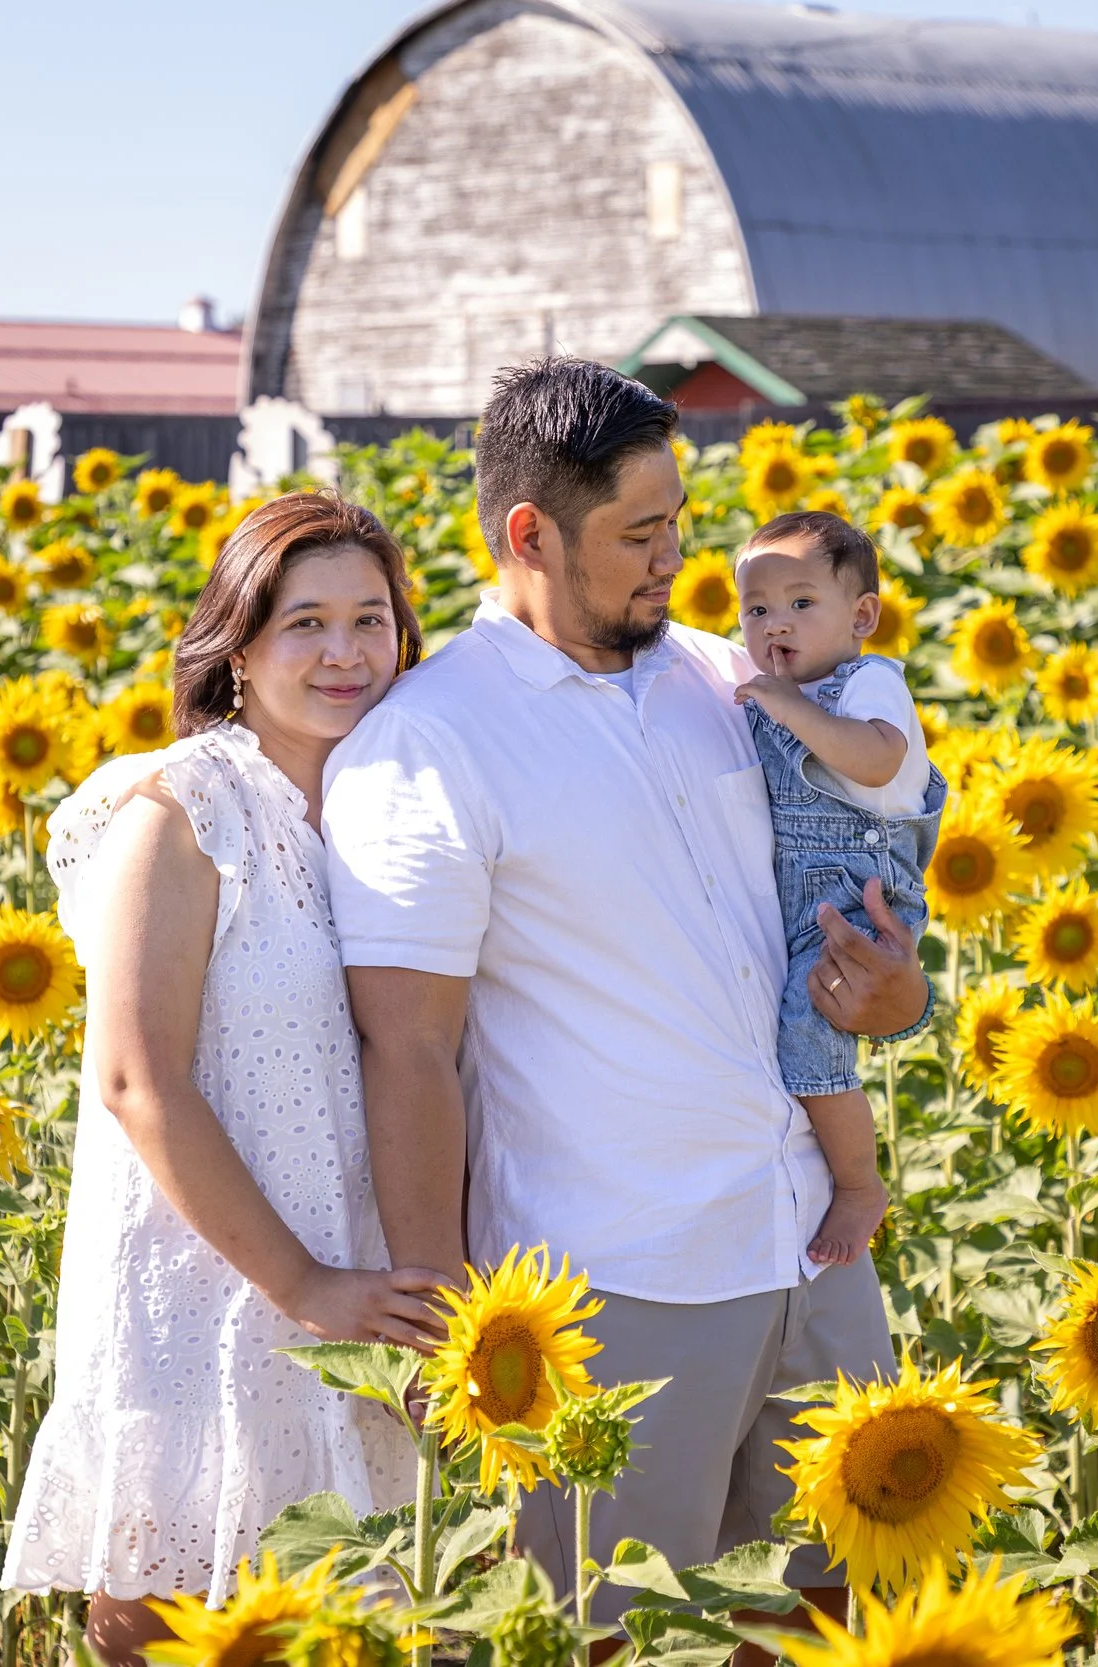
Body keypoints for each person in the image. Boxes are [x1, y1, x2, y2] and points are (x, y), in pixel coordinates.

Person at [320, 358, 934, 1654]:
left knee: (839, 1617)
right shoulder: (430, 741)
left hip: (811, 1242)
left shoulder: (732, 681)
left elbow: (826, 920)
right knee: (621, 1633)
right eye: (638, 535)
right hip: (621, 1283)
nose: (675, 560)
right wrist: (443, 1318)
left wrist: (891, 992)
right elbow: (410, 1046)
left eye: (678, 525)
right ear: (530, 535)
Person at [2, 494, 447, 1667]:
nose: (347, 652)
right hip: (204, 1288)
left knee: (344, 1626)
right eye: (306, 621)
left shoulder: (391, 808)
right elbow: (136, 1076)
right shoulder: (183, 808)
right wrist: (305, 1282)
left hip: (353, 1277)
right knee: (168, 1626)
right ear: (237, 646)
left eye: (372, 618)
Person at [731, 512, 944, 1269]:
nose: (774, 624)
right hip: (807, 892)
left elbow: (881, 761)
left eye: (799, 603)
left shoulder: (868, 682)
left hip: (859, 884)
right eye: (756, 609)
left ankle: (858, 1183)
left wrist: (790, 707)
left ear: (862, 616)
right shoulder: (770, 688)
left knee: (807, 1030)